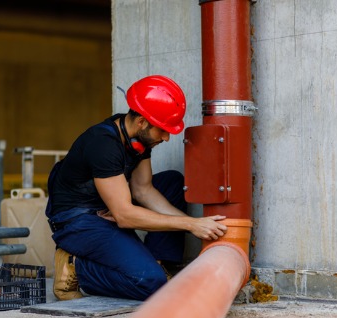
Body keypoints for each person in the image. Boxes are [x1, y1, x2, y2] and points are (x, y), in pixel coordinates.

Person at [46, 75, 227, 301]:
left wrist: (195, 227)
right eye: (162, 129)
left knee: (171, 182)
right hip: (78, 220)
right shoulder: (103, 144)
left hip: (109, 204)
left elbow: (143, 190)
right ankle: (77, 266)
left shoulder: (139, 140)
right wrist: (190, 223)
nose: (167, 137)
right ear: (142, 121)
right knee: (150, 284)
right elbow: (124, 216)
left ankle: (154, 263)